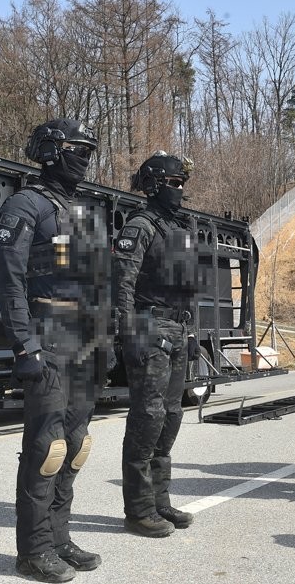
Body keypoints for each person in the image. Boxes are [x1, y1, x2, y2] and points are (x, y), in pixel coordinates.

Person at [0, 119, 103, 582]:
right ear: (53, 150)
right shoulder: (25, 205)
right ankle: (34, 549)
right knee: (47, 447)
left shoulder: (80, 210)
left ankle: (59, 537)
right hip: (47, 331)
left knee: (77, 445)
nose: (85, 157)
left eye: (89, 150)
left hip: (82, 337)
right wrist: (26, 344)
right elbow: (8, 280)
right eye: (78, 148)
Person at [113, 151, 199, 537]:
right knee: (147, 419)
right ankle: (139, 509)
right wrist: (128, 332)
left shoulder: (178, 229)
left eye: (183, 184)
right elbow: (123, 284)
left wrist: (191, 333)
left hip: (178, 328)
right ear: (154, 185)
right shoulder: (140, 225)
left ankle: (160, 501)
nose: (180, 190)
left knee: (171, 416)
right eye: (174, 183)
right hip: (150, 327)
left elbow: (185, 288)